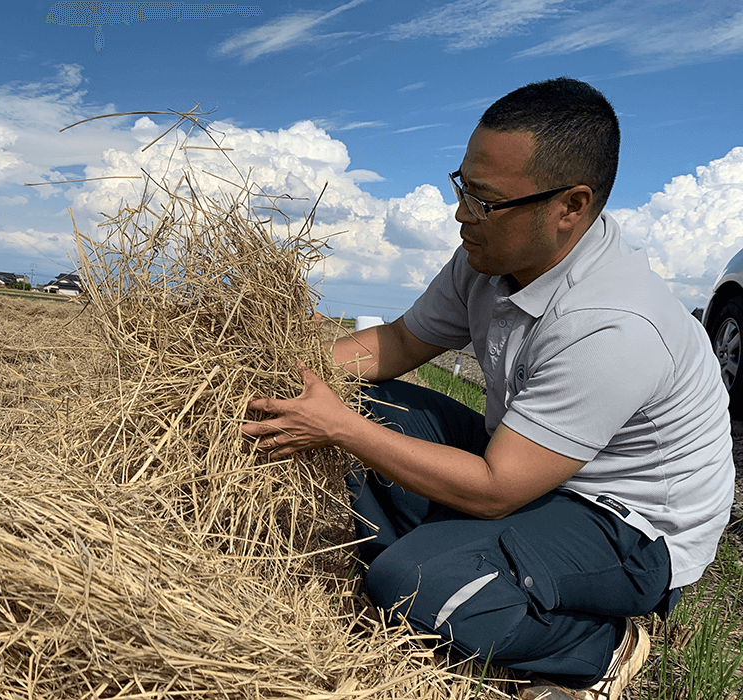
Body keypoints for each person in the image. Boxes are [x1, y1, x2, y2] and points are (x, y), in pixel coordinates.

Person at [241, 77, 734, 700]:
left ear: (571, 206)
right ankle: (475, 564)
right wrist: (276, 366)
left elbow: (498, 489)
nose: (460, 213)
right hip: (530, 462)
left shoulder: (613, 324)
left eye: (485, 199)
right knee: (366, 404)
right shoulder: (489, 257)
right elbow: (398, 343)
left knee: (412, 584)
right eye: (463, 186)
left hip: (627, 525)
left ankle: (599, 646)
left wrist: (341, 428)